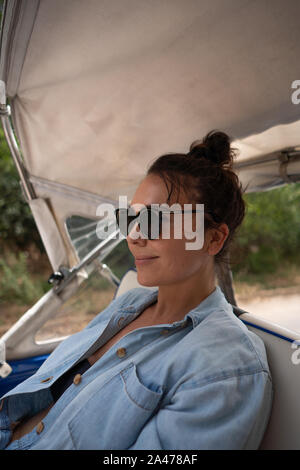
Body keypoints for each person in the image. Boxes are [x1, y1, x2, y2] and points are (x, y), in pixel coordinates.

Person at [0, 130, 272, 450]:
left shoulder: (227, 365)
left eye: (156, 220)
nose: (134, 235)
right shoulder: (129, 304)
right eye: (130, 218)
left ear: (213, 238)